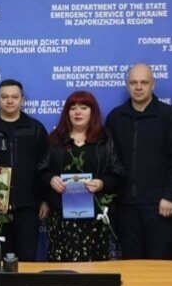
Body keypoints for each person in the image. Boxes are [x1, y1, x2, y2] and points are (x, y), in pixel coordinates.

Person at [105, 63, 172, 259]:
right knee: (131, 263)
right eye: (133, 82)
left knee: (160, 262)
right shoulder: (115, 117)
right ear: (127, 85)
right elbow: (109, 161)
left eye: (143, 82)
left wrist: (170, 195)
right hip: (125, 206)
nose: (138, 87)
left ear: (153, 85)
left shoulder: (169, 116)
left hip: (159, 205)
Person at [43, 91, 123, 262]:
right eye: (73, 108)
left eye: (84, 107)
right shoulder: (55, 139)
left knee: (94, 268)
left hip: (95, 216)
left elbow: (117, 171)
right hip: (61, 216)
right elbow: (41, 169)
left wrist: (102, 183)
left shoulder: (105, 139)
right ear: (67, 113)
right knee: (63, 269)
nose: (77, 112)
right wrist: (51, 179)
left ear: (92, 112)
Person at [0, 79, 50, 261]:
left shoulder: (35, 128)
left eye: (14, 97)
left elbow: (45, 166)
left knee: (27, 258)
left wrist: (45, 199)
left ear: (22, 99)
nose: (9, 101)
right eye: (4, 97)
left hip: (29, 205)